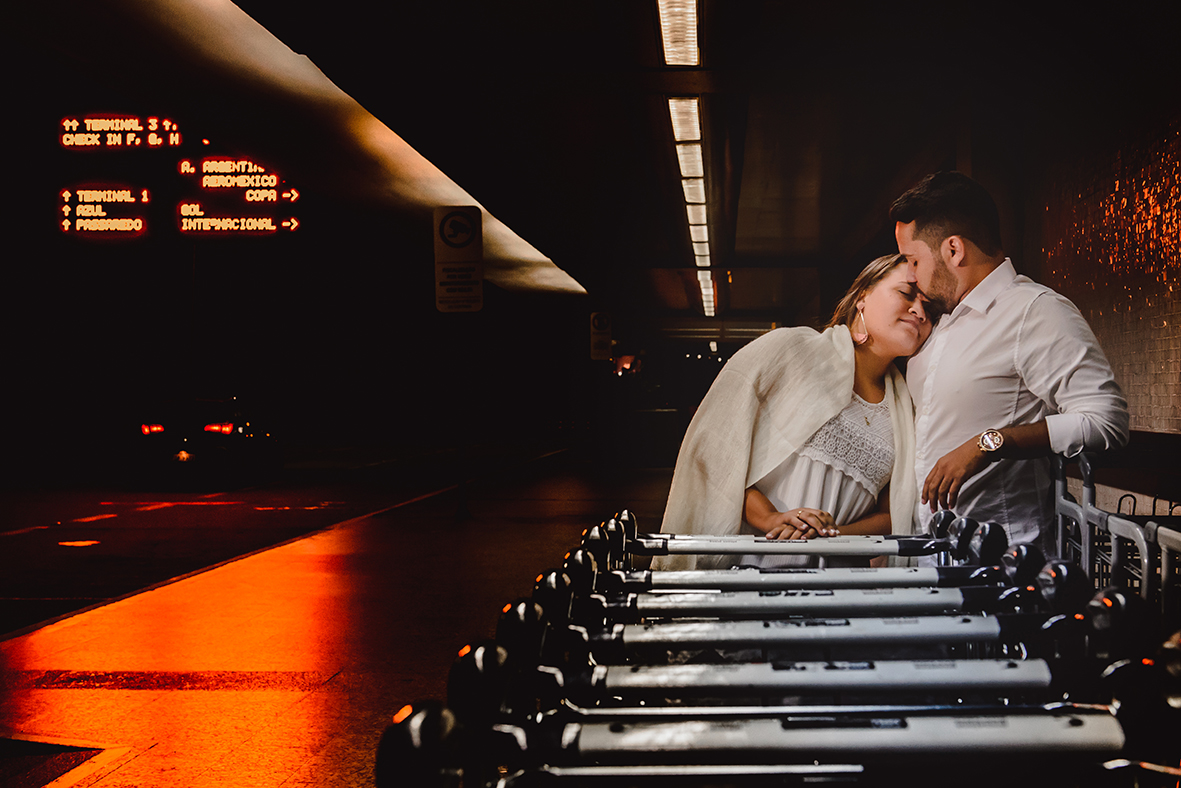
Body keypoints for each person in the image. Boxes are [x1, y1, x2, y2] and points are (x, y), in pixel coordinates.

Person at [890, 171, 1129, 551]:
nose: (910, 274)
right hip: (933, 551)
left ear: (954, 250)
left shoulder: (1035, 312)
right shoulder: (941, 321)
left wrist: (988, 443)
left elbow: (1107, 422)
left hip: (1005, 560)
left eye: (913, 260)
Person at [653, 254, 931, 571]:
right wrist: (771, 517)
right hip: (753, 570)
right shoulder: (792, 352)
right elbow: (717, 455)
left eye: (930, 307)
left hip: (842, 589)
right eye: (906, 294)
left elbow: (895, 510)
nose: (920, 311)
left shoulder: (906, 405)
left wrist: (832, 535)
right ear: (863, 296)